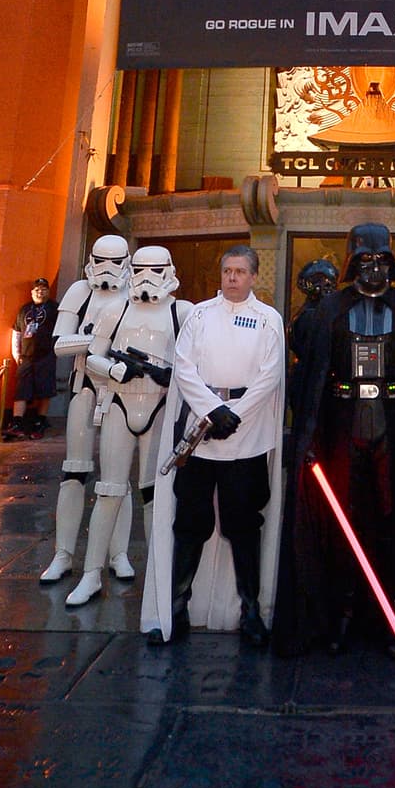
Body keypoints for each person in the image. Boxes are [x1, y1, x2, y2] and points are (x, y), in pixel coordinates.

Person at [273, 222, 395, 663]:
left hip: (393, 428)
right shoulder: (330, 311)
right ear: (351, 264)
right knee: (341, 522)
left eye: (381, 261)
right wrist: (308, 435)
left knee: (392, 521)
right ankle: (342, 615)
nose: (374, 269)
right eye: (365, 261)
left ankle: (392, 617)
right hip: (343, 428)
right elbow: (309, 377)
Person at [143, 245, 285, 649]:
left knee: (244, 526)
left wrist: (234, 415)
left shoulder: (269, 320)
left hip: (247, 436)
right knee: (191, 524)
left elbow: (270, 375)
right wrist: (212, 411)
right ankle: (176, 609)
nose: (232, 278)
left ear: (254, 276)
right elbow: (184, 367)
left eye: (240, 271)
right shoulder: (200, 315)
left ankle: (251, 611)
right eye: (227, 271)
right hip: (200, 435)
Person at [67, 246, 187, 608]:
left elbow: (196, 361)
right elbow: (92, 355)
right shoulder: (116, 309)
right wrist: (114, 369)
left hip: (159, 405)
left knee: (154, 495)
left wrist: (172, 375)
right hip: (120, 403)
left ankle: (158, 576)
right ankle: (91, 573)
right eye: (141, 269)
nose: (147, 277)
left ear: (168, 270)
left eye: (155, 270)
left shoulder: (182, 312)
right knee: (109, 490)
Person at [41, 235, 134, 586]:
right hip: (84, 384)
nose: (107, 270)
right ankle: (63, 553)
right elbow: (59, 343)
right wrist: (95, 341)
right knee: (74, 470)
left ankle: (118, 553)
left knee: (117, 477)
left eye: (115, 262)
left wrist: (93, 343)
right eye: (101, 261)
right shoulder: (81, 291)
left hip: (120, 389)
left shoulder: (134, 293)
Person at [5, 277, 59, 439]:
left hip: (46, 355)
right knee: (21, 389)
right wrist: (17, 355)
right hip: (26, 356)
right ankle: (17, 423)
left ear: (48, 291)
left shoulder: (54, 309)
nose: (40, 292)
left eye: (44, 289)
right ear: (32, 292)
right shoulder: (25, 309)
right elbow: (16, 332)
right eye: (37, 289)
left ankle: (40, 422)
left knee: (45, 390)